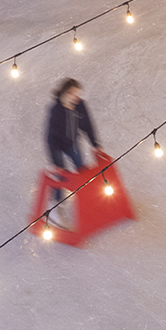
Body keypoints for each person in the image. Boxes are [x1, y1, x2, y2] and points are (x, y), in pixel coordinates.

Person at [44, 78, 103, 225]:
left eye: (79, 94)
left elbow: (88, 125)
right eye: (74, 94)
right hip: (56, 145)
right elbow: (50, 137)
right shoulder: (56, 111)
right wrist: (55, 162)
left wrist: (95, 144)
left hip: (72, 143)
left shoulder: (79, 105)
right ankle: (54, 205)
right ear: (65, 93)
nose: (77, 97)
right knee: (61, 175)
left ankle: (86, 200)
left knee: (81, 169)